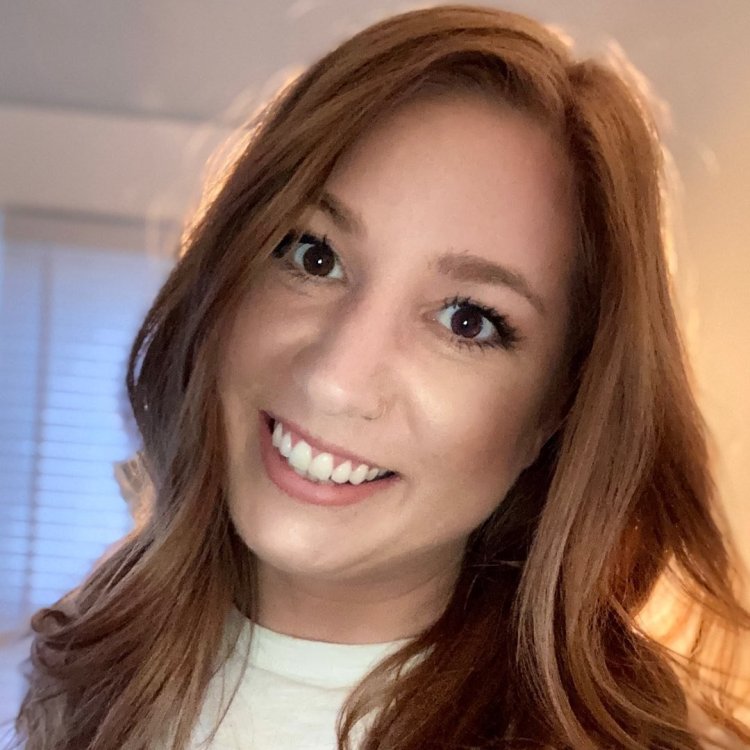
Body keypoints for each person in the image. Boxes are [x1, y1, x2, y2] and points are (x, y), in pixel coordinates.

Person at [13, 5, 750, 749]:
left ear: (557, 408)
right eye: (314, 256)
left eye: (467, 320)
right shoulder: (83, 667)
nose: (335, 380)